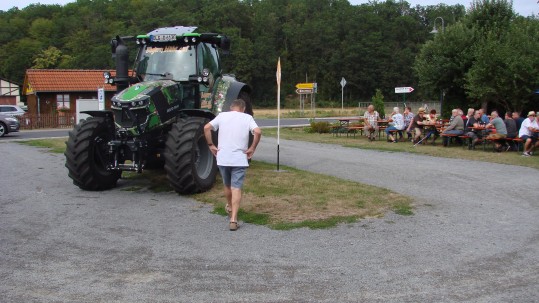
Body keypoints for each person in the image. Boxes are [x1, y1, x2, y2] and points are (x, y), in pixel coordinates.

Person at [204, 99, 262, 231]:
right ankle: (234, 219)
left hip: (223, 157)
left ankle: (229, 206)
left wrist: (211, 145)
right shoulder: (247, 118)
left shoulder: (222, 116)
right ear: (243, 108)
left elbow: (206, 128)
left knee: (227, 185)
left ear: (231, 108)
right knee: (236, 187)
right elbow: (258, 132)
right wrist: (252, 147)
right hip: (239, 158)